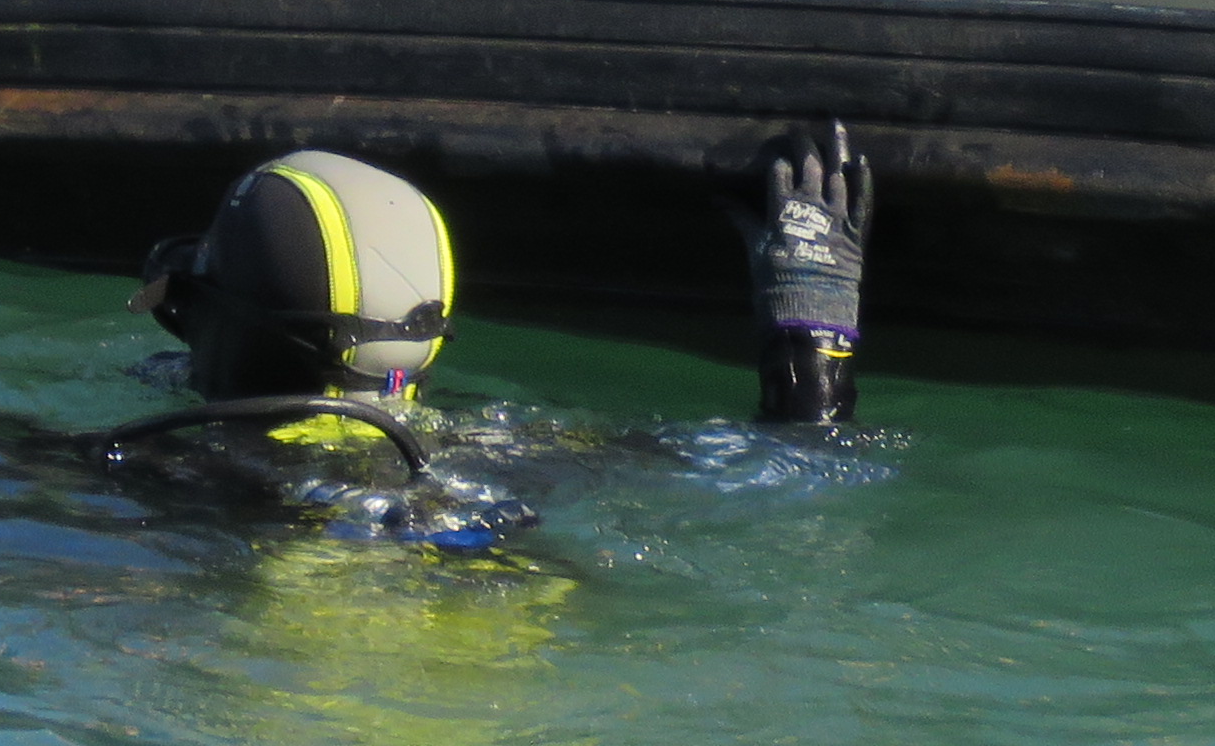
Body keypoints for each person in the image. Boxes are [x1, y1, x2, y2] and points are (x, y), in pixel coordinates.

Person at [90, 125, 878, 544]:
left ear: (216, 319)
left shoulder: (148, 465)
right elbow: (806, 462)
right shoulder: (513, 447)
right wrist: (811, 334)